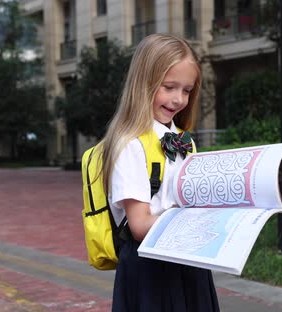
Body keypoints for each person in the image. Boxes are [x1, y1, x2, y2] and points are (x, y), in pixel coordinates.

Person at [99, 33, 220, 311]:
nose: (178, 99)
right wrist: (189, 219)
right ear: (144, 83)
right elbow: (140, 226)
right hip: (150, 267)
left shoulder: (184, 141)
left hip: (187, 260)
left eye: (187, 90)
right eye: (169, 87)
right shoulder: (130, 144)